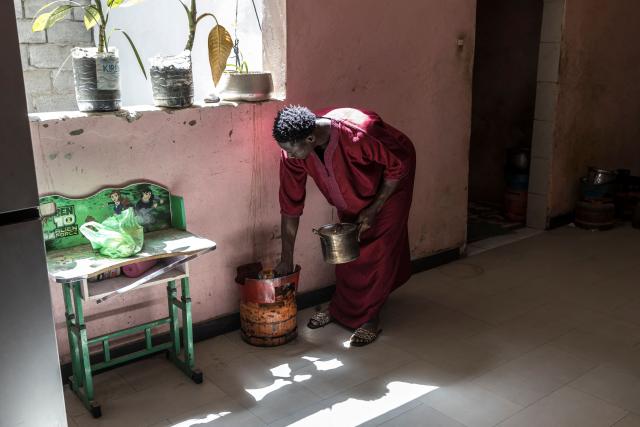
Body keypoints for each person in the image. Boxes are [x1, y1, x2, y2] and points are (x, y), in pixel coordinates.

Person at [273, 106, 416, 346]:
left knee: (378, 250)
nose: (289, 155)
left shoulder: (358, 132)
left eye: (292, 150)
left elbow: (399, 163)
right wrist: (286, 258)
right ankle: (342, 308)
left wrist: (375, 207)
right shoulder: (292, 153)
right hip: (354, 190)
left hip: (392, 184)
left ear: (310, 138)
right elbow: (290, 205)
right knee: (348, 248)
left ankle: (370, 317)